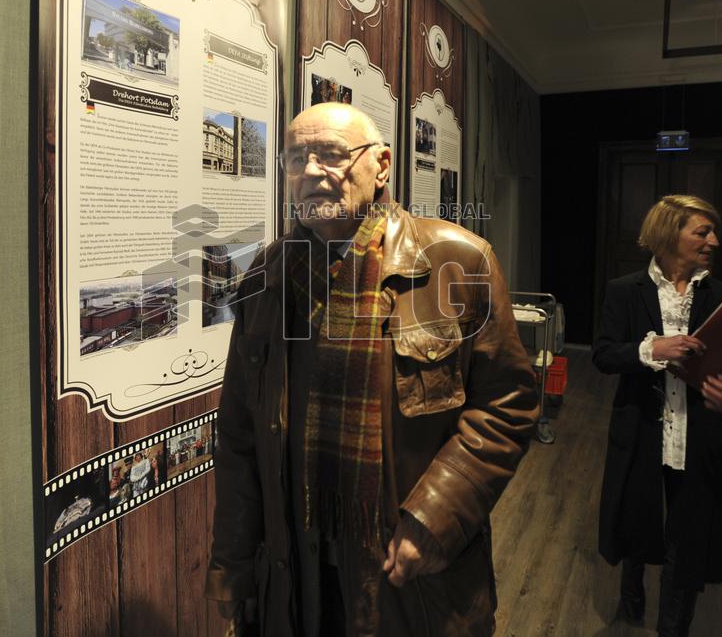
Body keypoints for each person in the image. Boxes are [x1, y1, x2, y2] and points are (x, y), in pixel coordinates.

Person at [206, 103, 538, 637]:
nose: (311, 171)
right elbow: (240, 437)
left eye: (332, 154)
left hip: (408, 575)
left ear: (381, 165)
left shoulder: (460, 261)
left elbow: (507, 407)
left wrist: (436, 515)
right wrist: (234, 569)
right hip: (296, 570)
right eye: (296, 158)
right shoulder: (265, 278)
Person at [592, 195, 722, 637]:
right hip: (640, 430)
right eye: (702, 232)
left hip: (702, 436)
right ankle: (631, 598)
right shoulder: (624, 290)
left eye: (715, 234)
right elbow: (603, 354)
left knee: (688, 540)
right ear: (670, 233)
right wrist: (652, 348)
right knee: (637, 518)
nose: (713, 241)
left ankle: (674, 629)